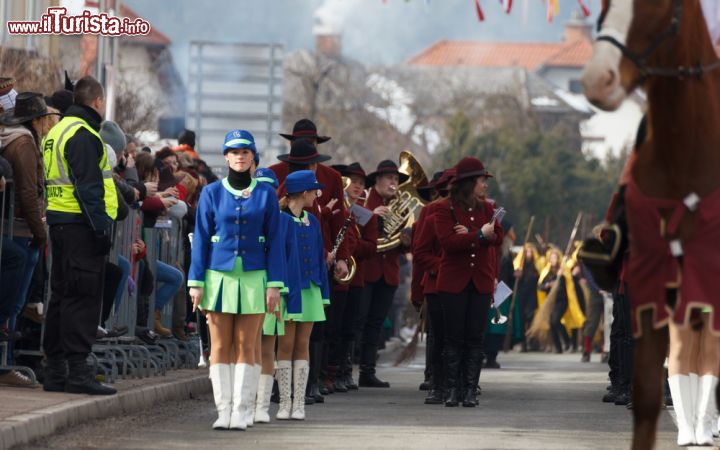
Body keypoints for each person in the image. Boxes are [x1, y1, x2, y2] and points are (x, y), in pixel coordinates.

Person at [188, 130, 284, 431]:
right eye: (234, 151)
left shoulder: (266, 193)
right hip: (218, 276)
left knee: (246, 344)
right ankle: (223, 411)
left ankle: (242, 411)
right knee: (219, 344)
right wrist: (196, 280)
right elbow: (202, 238)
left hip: (255, 277)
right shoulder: (212, 193)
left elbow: (276, 241)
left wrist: (274, 285)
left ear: (252, 157)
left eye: (245, 151)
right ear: (226, 157)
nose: (240, 156)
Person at [41, 76, 118, 395]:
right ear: (97, 102)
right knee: (82, 298)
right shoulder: (84, 135)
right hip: (80, 225)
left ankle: (56, 371)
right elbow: (89, 188)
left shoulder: (57, 130)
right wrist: (100, 229)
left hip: (60, 223)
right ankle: (77, 372)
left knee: (61, 297)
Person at [433, 156, 503, 407]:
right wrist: (480, 236)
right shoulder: (444, 208)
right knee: (453, 338)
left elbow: (498, 236)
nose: (485, 185)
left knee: (475, 338)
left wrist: (473, 236)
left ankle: (470, 390)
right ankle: (452, 389)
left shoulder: (487, 207)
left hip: (480, 282)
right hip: (453, 282)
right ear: (469, 182)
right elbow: (449, 243)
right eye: (482, 180)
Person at [0, 93, 58, 356]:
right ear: (36, 120)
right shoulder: (23, 143)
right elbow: (27, 191)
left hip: (22, 227)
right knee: (13, 303)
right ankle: (6, 360)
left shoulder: (19, 138)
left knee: (14, 302)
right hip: (22, 229)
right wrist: (40, 232)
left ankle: (8, 359)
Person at [275, 170, 330, 421]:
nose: (317, 195)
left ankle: (299, 402)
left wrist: (323, 291)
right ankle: (284, 401)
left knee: (303, 345)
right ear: (304, 192)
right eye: (314, 191)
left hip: (309, 289)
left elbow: (319, 258)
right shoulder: (279, 219)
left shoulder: (314, 221)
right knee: (285, 345)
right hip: (288, 290)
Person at [253, 167, 302, 424]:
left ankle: (260, 405)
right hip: (248, 288)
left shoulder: (285, 221)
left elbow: (291, 263)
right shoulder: (246, 215)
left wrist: (291, 299)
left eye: (268, 189)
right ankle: (245, 401)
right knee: (245, 346)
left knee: (265, 348)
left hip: (275, 292)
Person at [413, 168, 454, 404]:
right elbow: (420, 254)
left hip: (460, 286)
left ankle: (458, 382)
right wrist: (416, 292)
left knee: (457, 336)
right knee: (436, 335)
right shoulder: (429, 212)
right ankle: (435, 378)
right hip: (434, 283)